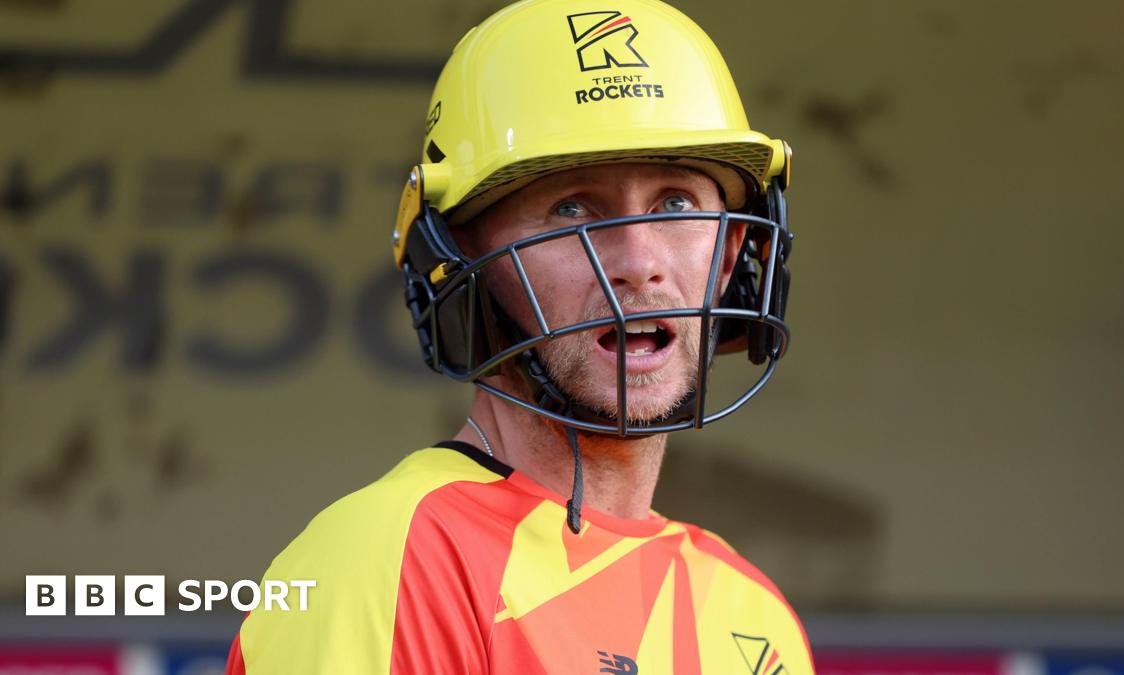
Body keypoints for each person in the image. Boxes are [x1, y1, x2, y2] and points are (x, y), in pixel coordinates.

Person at [225, 0, 811, 672]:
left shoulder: (754, 616)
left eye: (675, 203)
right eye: (572, 208)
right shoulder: (394, 559)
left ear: (732, 250)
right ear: (463, 261)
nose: (639, 261)